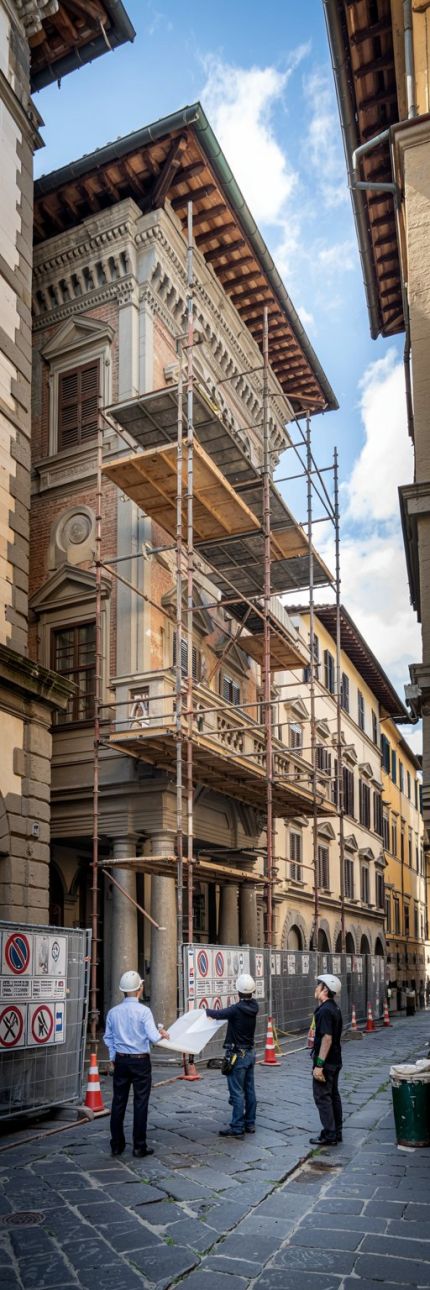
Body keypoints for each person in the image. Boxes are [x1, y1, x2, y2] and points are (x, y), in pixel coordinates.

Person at [104, 970, 170, 1158]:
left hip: (121, 1060)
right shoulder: (144, 1011)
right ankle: (139, 1146)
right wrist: (162, 1033)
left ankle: (117, 1145)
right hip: (140, 1061)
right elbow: (153, 1037)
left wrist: (113, 1057)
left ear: (123, 990)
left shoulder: (113, 1012)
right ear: (139, 989)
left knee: (118, 1102)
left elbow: (108, 1038)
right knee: (141, 1103)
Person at [206, 973, 258, 1138]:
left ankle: (237, 1126)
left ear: (238, 991)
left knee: (236, 1092)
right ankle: (250, 1123)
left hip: (237, 1055)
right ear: (252, 991)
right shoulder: (254, 1006)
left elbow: (217, 1013)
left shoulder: (236, 1009)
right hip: (249, 1053)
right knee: (249, 1090)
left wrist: (204, 1011)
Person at [309, 972, 343, 1147]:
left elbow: (327, 1038)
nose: (316, 988)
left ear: (325, 990)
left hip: (327, 1062)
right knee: (333, 1095)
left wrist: (319, 1065)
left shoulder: (324, 1011)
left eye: (319, 985)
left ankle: (329, 1134)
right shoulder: (334, 1008)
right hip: (336, 1059)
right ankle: (336, 1131)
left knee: (322, 1097)